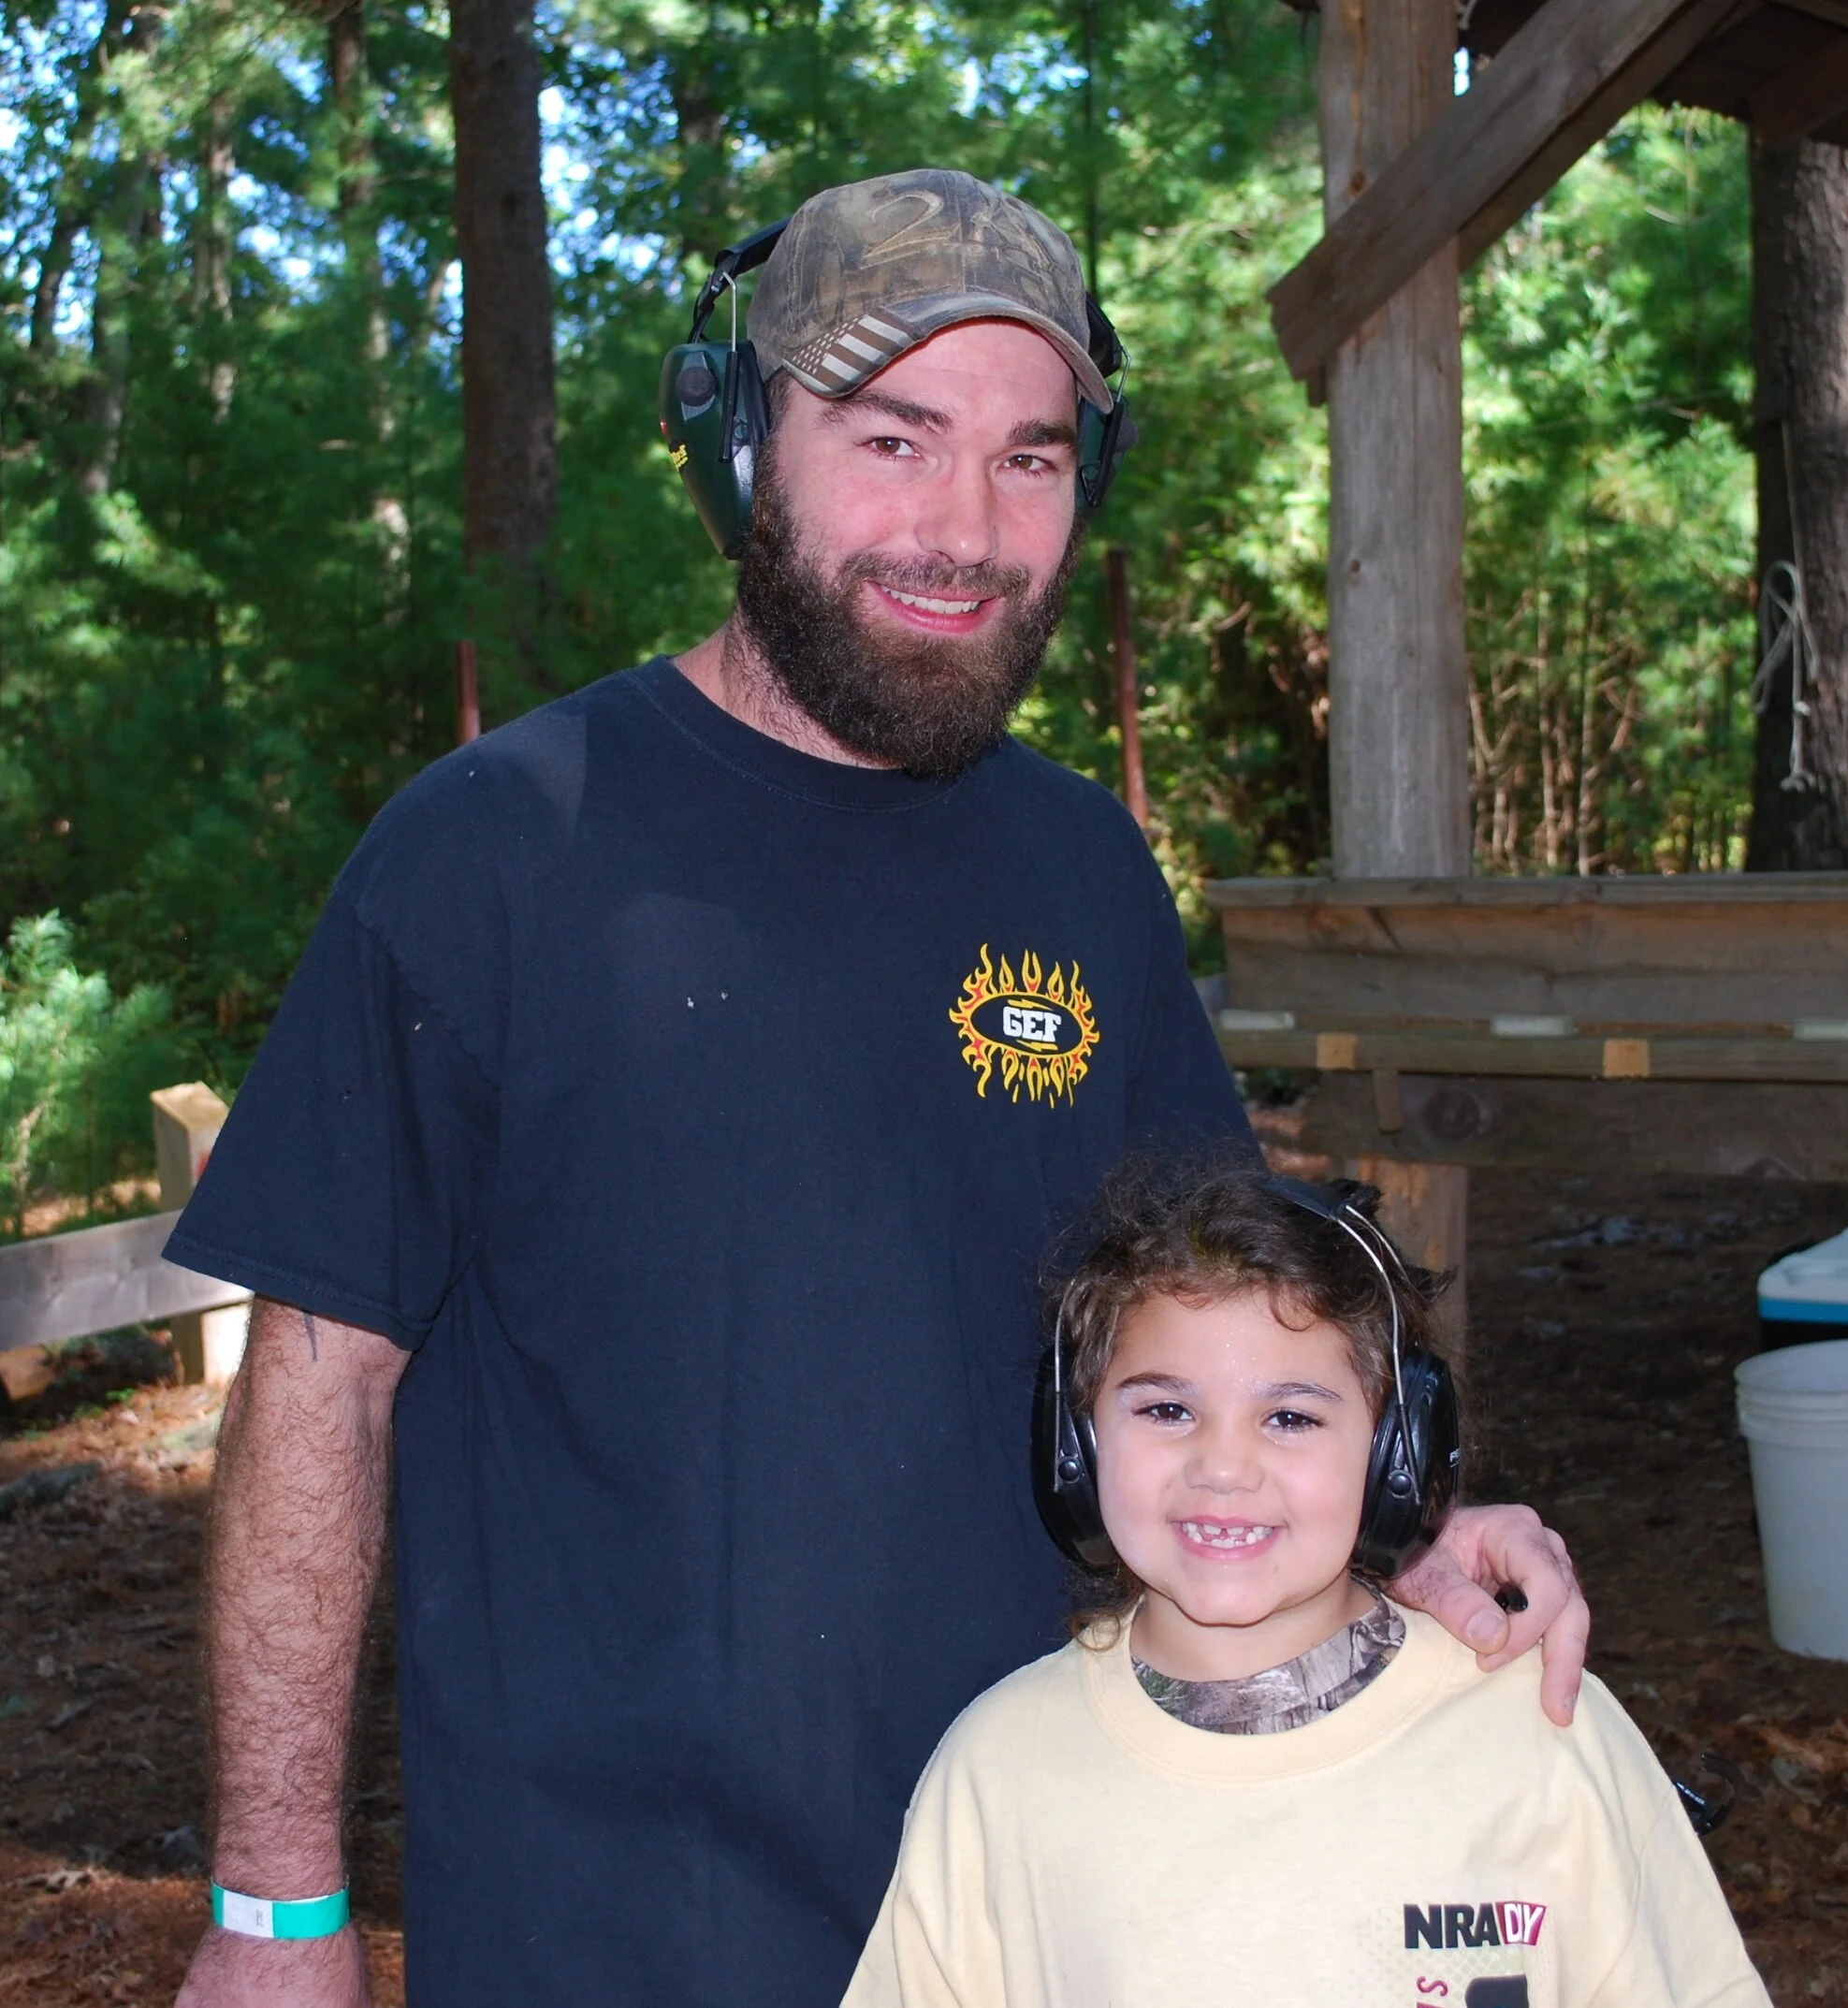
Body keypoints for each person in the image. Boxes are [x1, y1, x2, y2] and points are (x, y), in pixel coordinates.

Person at [167, 168, 1589, 2008]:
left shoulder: (1082, 869)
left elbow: (1235, 1337)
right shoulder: (493, 851)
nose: (966, 526)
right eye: (893, 438)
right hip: (608, 1931)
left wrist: (1409, 1533)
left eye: (1031, 456)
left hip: (1036, 1901)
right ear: (741, 444)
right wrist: (279, 1902)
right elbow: (319, 1381)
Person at [844, 1161, 1767, 2008]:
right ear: (1074, 1446)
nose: (1222, 1465)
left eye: (1288, 1416)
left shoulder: (1539, 1737)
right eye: (1166, 1408)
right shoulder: (1002, 1773)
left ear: (1398, 1456)